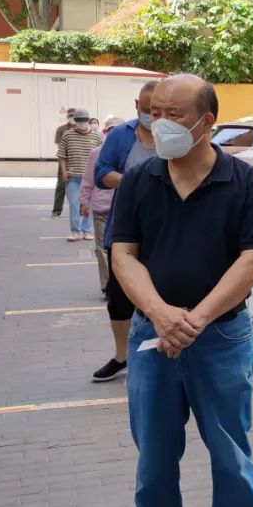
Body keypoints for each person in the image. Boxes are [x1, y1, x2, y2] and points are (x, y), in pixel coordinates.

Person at [110, 74, 253, 507]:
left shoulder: (243, 182)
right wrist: (160, 314)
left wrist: (196, 319)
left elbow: (252, 259)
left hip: (220, 336)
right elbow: (123, 255)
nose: (159, 123)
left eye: (173, 114)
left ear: (207, 122)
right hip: (152, 339)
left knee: (231, 456)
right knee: (154, 462)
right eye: (154, 112)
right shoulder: (140, 178)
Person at [91, 84, 158, 383]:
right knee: (119, 299)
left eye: (157, 111)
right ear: (136, 105)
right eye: (146, 110)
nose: (151, 116)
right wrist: (133, 182)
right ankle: (122, 357)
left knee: (160, 296)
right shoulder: (121, 135)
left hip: (164, 233)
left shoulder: (175, 135)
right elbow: (101, 173)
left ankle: (158, 353)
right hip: (125, 230)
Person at [79, 116, 122, 302]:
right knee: (102, 248)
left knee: (122, 249)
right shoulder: (96, 153)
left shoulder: (128, 152)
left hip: (123, 208)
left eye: (117, 130)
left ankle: (122, 284)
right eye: (110, 130)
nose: (113, 134)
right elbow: (88, 179)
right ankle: (107, 285)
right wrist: (84, 202)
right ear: (105, 132)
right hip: (101, 208)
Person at [57, 108, 102, 242]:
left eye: (83, 121)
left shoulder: (96, 136)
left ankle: (86, 230)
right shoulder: (67, 135)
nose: (81, 123)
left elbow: (102, 155)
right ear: (74, 121)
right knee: (74, 203)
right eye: (78, 121)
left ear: (88, 120)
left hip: (90, 178)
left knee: (87, 204)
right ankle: (75, 231)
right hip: (73, 177)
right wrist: (64, 172)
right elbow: (62, 155)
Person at [52, 108, 76, 218]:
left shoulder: (83, 129)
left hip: (79, 160)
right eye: (70, 116)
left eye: (74, 116)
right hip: (64, 160)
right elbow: (60, 146)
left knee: (81, 186)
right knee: (61, 186)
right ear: (67, 117)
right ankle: (56, 211)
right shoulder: (61, 129)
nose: (72, 118)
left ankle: (80, 210)